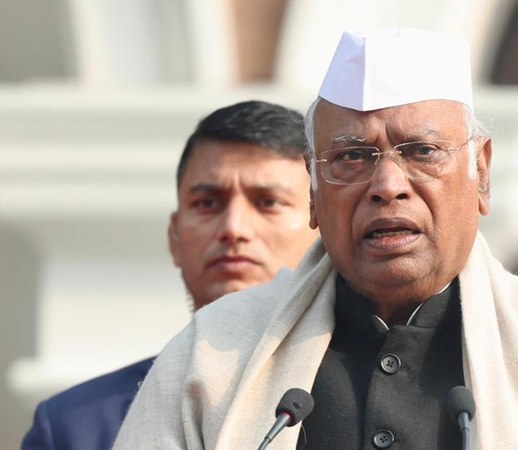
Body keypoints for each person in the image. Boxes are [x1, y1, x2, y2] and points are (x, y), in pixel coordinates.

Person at [113, 29, 518, 450]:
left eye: (422, 152)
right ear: (313, 192)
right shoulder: (209, 357)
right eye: (353, 157)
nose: (387, 186)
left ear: (481, 173)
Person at [21, 100, 319, 450]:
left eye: (268, 202)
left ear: (321, 228)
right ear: (174, 238)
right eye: (207, 203)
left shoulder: (360, 395)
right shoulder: (74, 427)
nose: (233, 228)